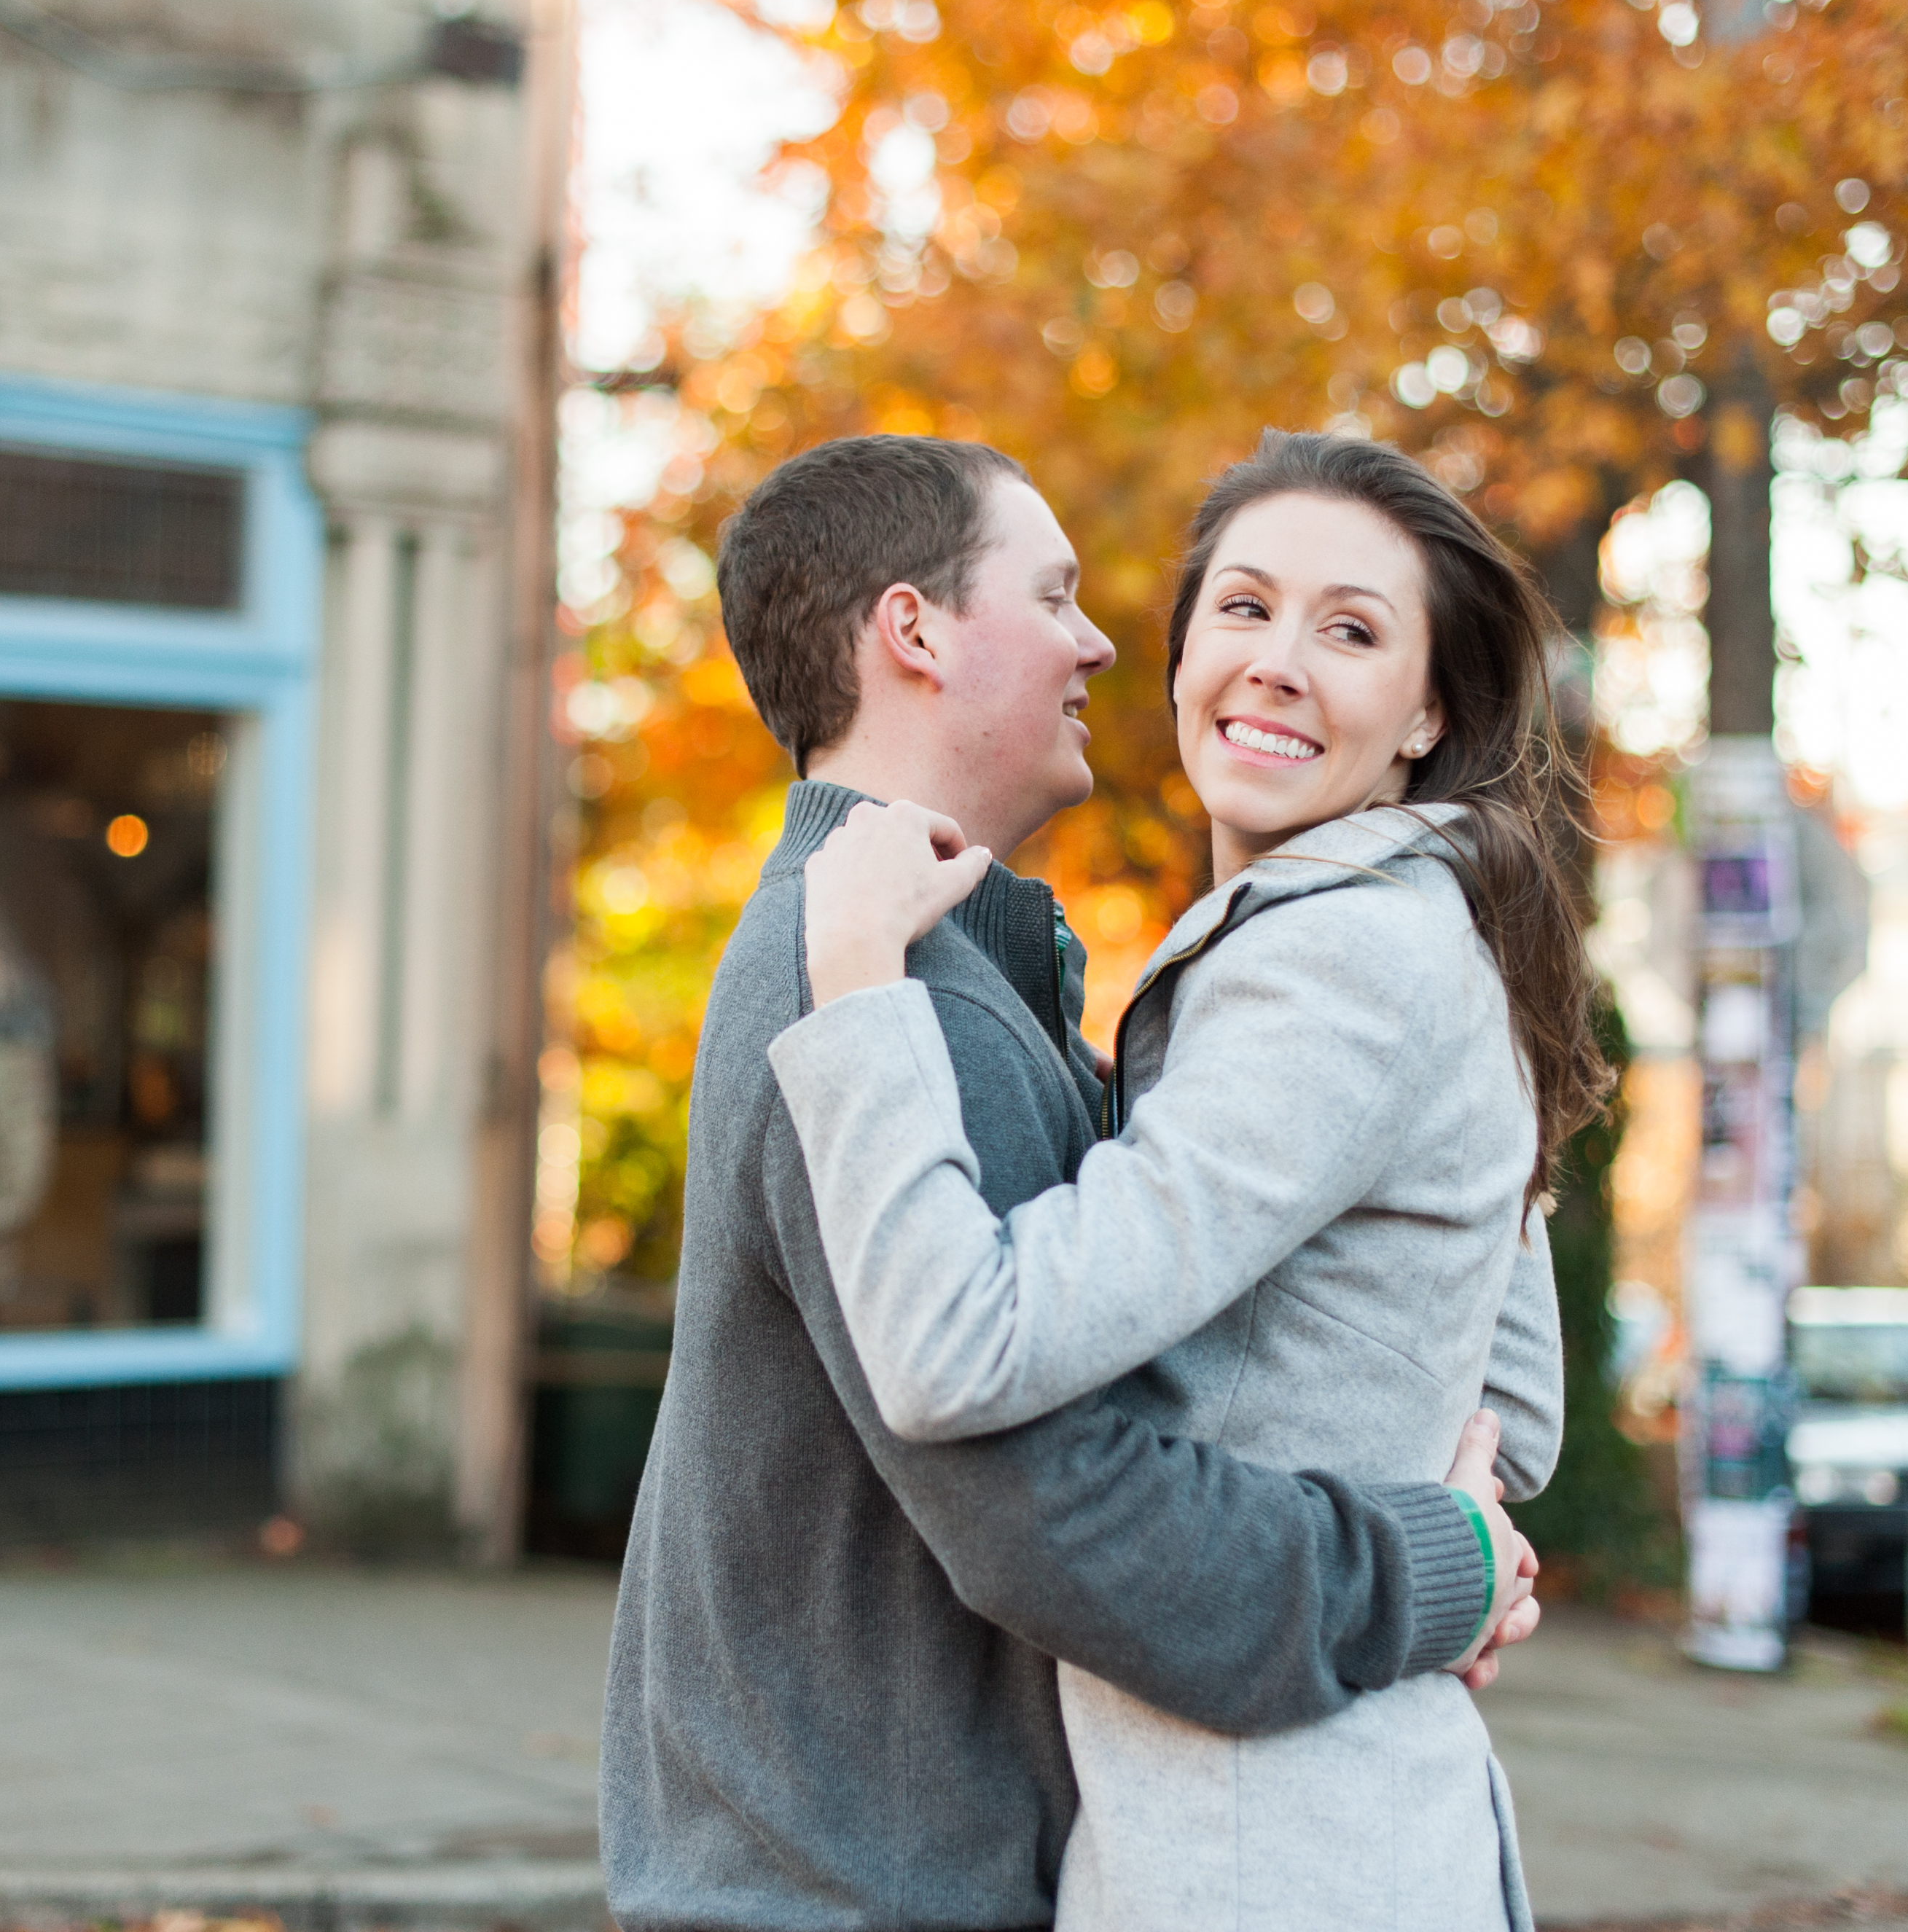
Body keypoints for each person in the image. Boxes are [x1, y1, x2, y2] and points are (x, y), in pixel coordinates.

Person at [599, 434, 1552, 1932]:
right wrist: (1431, 1565)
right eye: (1053, 592)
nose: (1104, 636)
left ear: (1430, 708)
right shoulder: (883, 992)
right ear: (913, 631)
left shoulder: (979, 974)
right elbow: (1053, 1516)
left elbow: (1473, 1343)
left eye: (1349, 628)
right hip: (861, 1891)